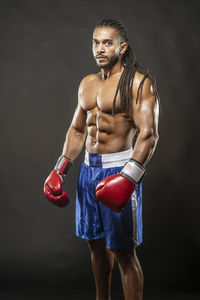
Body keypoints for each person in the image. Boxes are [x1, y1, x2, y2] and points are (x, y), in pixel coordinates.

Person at [44, 19, 159, 300]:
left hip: (119, 170)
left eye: (107, 42)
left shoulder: (139, 82)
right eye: (96, 42)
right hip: (88, 171)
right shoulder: (87, 84)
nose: (100, 48)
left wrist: (129, 176)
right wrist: (60, 169)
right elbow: (78, 129)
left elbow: (149, 134)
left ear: (122, 46)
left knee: (124, 252)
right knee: (95, 246)